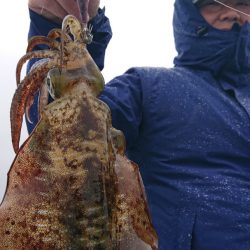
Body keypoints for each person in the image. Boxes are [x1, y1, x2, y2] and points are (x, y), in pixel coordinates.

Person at [26, 0, 250, 249]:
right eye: (214, 3)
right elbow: (58, 136)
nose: (232, 11)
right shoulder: (148, 87)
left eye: (243, 3)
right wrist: (52, 30)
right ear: (189, 14)